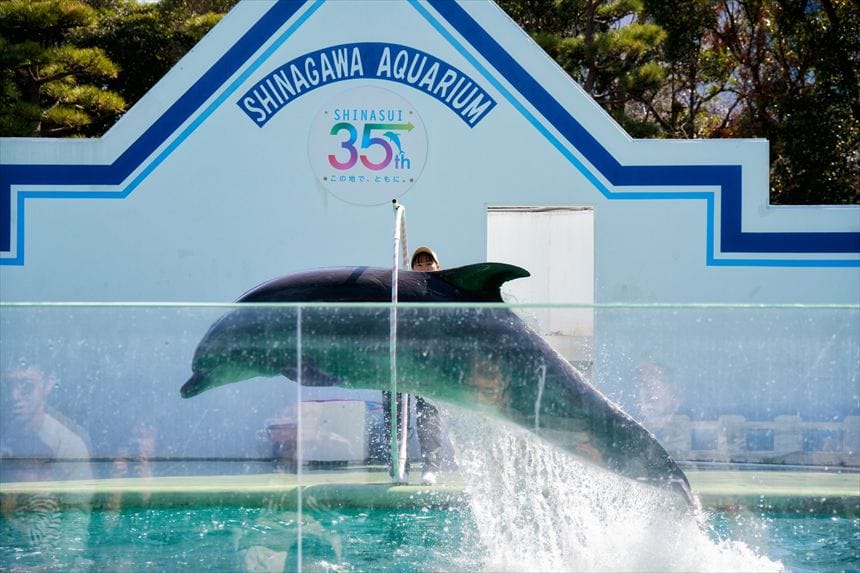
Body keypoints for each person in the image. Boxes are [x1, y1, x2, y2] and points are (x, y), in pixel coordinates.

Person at [381, 246, 444, 485]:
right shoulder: (402, 290)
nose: (424, 267)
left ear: (438, 266)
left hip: (430, 363)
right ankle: (399, 466)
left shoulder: (443, 292)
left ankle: (431, 467)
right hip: (400, 359)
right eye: (419, 263)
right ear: (412, 267)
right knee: (395, 414)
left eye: (429, 263)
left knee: (428, 414)